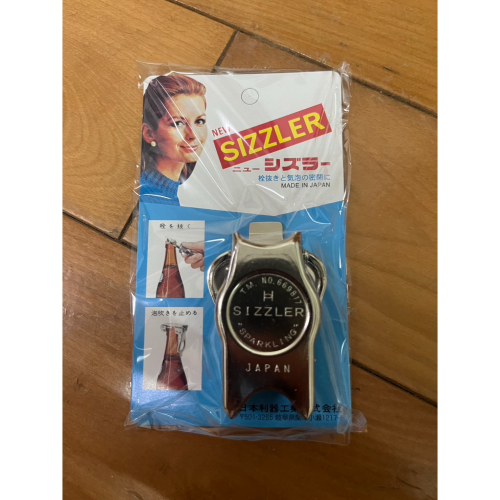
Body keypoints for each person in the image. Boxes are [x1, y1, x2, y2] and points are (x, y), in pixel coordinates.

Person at [140, 73, 207, 205]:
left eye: (199, 121)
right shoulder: (150, 198)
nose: (193, 134)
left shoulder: (167, 193)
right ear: (149, 133)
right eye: (178, 123)